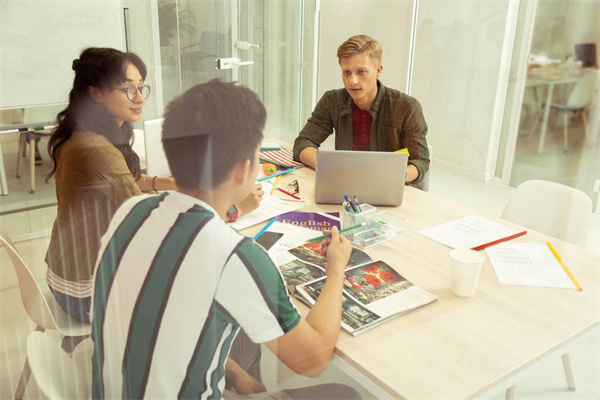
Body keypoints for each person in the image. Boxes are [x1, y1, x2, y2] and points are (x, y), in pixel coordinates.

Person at [90, 79, 361, 400]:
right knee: (344, 393)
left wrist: (231, 371)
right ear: (242, 169)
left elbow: (154, 317)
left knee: (243, 341)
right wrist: (337, 270)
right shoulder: (235, 256)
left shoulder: (130, 210)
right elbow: (313, 360)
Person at [44, 48, 262, 323]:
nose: (140, 98)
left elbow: (131, 181)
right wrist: (235, 208)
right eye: (127, 89)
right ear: (96, 93)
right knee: (211, 289)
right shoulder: (97, 151)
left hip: (69, 268)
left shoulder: (82, 133)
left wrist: (175, 183)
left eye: (140, 87)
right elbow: (156, 232)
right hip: (84, 292)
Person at [293, 34, 430, 189]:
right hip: (349, 189)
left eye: (361, 72)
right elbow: (302, 143)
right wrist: (329, 168)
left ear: (378, 71)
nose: (353, 81)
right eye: (347, 72)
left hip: (392, 189)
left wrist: (390, 176)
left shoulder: (407, 107)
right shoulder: (332, 101)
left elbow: (420, 162)